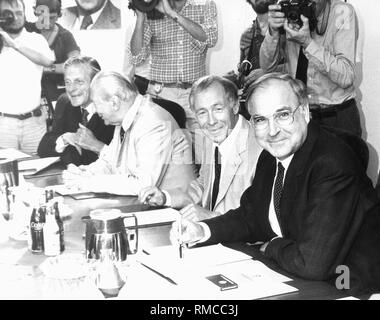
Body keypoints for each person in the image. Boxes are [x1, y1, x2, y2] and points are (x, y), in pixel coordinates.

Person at [171, 73, 380, 294]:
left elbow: (312, 263)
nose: (273, 131)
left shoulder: (332, 163)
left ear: (304, 111)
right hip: (300, 273)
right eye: (261, 119)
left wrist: (273, 245)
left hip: (349, 283)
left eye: (283, 115)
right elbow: (250, 216)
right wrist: (203, 230)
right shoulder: (271, 155)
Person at [139, 76, 262, 221]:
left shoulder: (261, 147)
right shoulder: (213, 138)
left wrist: (212, 217)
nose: (211, 121)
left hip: (243, 240)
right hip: (213, 233)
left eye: (218, 109)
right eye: (202, 112)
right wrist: (165, 197)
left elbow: (261, 220)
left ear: (235, 106)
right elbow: (203, 185)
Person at [62, 71, 196, 195]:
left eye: (96, 104)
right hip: (147, 206)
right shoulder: (125, 117)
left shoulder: (153, 122)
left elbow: (143, 184)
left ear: (114, 102)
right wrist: (84, 173)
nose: (96, 111)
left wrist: (91, 183)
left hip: (177, 211)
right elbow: (111, 162)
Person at [129, 0, 218, 164]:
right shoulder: (152, 8)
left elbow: (210, 38)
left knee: (205, 158)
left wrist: (173, 14)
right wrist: (141, 17)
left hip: (196, 95)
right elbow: (136, 56)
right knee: (169, 160)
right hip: (162, 95)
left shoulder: (205, 4)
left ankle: (203, 189)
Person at [260, 0, 362, 137]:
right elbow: (267, 67)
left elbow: (346, 76)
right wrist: (272, 33)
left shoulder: (341, 12)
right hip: (301, 114)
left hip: (337, 115)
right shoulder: (289, 9)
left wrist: (308, 44)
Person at [37, 56, 115, 166]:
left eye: (79, 82)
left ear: (95, 82)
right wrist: (65, 138)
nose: (71, 89)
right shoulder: (65, 103)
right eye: (68, 82)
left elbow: (93, 160)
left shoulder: (111, 111)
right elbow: (43, 148)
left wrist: (71, 152)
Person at [0, 0, 54, 154]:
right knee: (4, 174)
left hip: (34, 122)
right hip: (3, 125)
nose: (15, 17)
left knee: (37, 170)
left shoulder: (36, 39)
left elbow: (48, 62)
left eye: (19, 13)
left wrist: (15, 45)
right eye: (8, 14)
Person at [26, 0, 81, 103]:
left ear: (59, 14)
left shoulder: (65, 36)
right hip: (27, 93)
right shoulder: (26, 30)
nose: (47, 21)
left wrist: (44, 69)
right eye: (43, 16)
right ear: (35, 12)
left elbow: (75, 65)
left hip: (56, 97)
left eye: (51, 17)